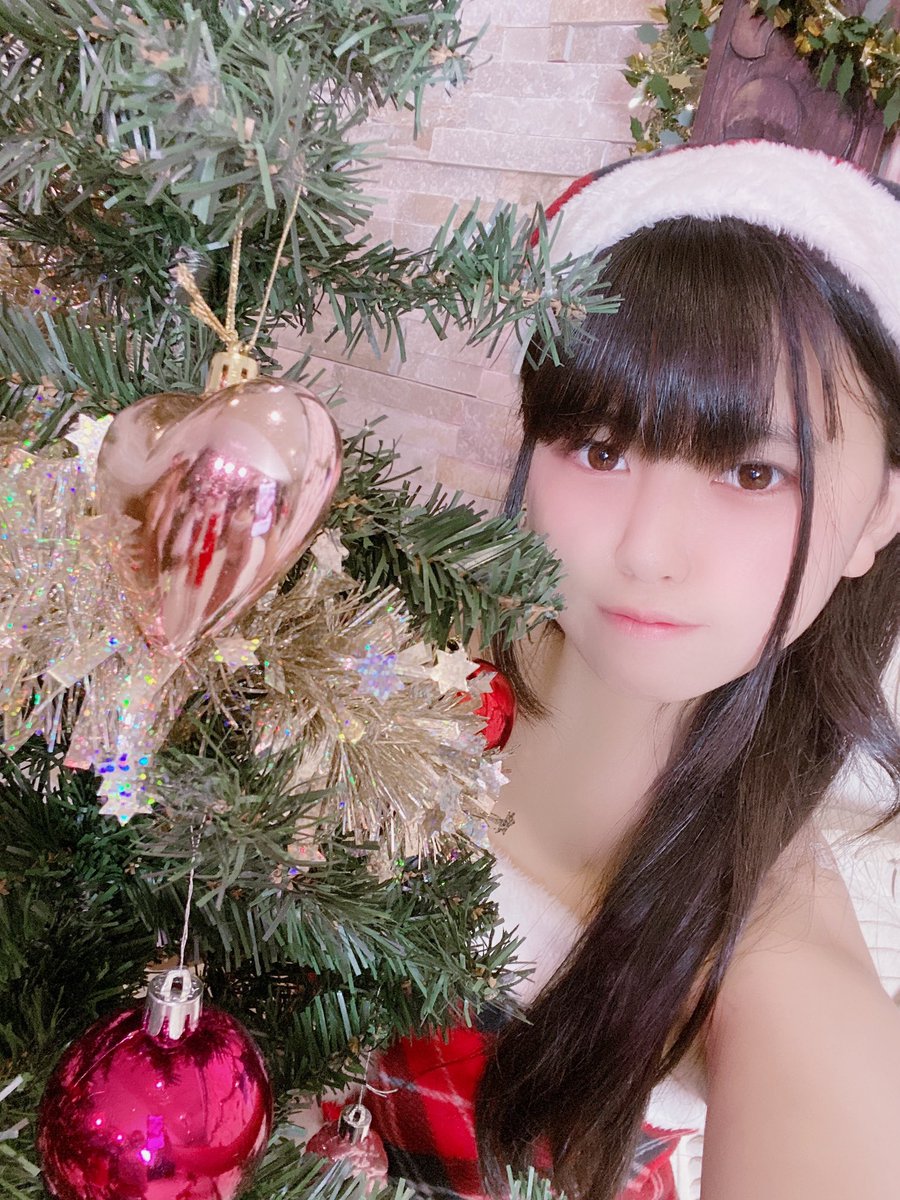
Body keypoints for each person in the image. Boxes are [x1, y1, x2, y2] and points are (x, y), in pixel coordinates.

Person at [362, 140, 900, 1200]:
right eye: (600, 448)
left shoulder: (780, 957)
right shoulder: (382, 663)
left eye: (754, 472)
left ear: (880, 513)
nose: (649, 549)